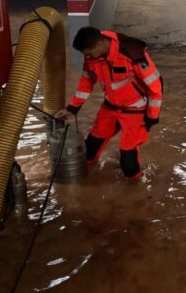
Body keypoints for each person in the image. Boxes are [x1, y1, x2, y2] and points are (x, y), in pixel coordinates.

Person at [55, 26, 163, 181]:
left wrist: (152, 116)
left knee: (128, 162)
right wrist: (72, 108)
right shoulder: (92, 56)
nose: (88, 57)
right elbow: (86, 83)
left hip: (135, 111)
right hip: (110, 107)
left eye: (89, 53)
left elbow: (155, 85)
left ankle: (135, 187)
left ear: (100, 44)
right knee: (89, 150)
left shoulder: (132, 53)